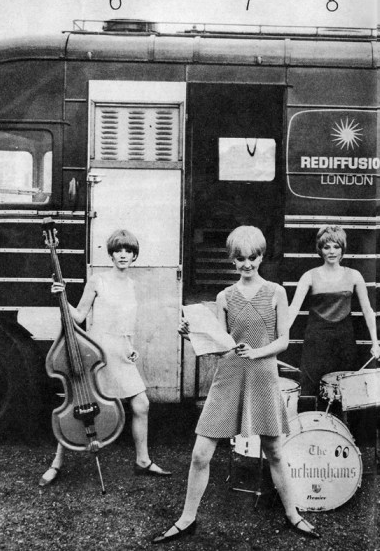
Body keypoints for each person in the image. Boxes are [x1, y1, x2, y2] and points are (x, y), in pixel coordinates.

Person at [151, 226, 318, 544]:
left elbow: (284, 340)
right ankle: (187, 519)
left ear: (261, 256)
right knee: (201, 453)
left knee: (274, 452)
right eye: (240, 258)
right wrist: (192, 335)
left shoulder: (276, 293)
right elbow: (224, 345)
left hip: (263, 375)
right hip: (229, 375)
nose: (247, 264)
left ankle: (293, 515)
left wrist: (257, 352)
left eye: (252, 257)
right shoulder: (224, 297)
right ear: (232, 259)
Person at [39, 229, 171, 487]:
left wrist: (131, 346)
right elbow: (78, 316)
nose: (123, 255)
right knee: (80, 404)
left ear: (134, 256)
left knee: (141, 404)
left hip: (121, 352)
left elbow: (126, 324)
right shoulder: (98, 280)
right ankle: (56, 463)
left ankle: (142, 460)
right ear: (111, 254)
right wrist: (61, 296)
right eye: (118, 250)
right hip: (96, 352)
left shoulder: (133, 285)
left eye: (129, 251)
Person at [287, 225, 380, 401]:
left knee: (345, 394)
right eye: (326, 247)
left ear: (342, 249)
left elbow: (368, 311)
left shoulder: (354, 276)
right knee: (311, 391)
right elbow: (292, 310)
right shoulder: (309, 276)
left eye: (336, 246)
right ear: (320, 250)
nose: (332, 251)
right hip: (316, 342)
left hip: (344, 342)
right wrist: (280, 338)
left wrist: (375, 343)